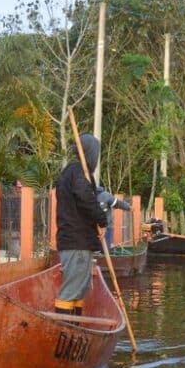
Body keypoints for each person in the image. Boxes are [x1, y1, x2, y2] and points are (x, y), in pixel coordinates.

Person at [54, 133, 109, 316]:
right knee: (71, 290)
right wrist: (102, 220)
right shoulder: (77, 172)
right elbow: (85, 198)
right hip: (75, 241)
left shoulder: (76, 173)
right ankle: (64, 331)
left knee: (80, 289)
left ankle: (75, 327)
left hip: (80, 241)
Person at [96, 185, 131, 250]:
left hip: (105, 227)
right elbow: (118, 203)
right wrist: (128, 207)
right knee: (101, 250)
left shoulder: (105, 196)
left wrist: (128, 207)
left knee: (104, 249)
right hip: (96, 228)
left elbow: (117, 203)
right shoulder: (86, 194)